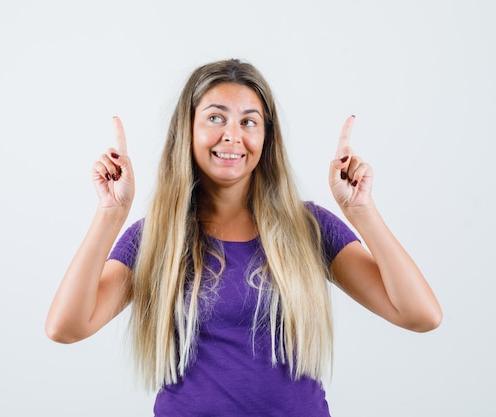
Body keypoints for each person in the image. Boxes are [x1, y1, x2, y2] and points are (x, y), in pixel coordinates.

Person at [45, 59, 442, 416]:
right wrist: (111, 214)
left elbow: (420, 315)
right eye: (216, 118)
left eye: (249, 121)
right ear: (189, 129)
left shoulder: (308, 228)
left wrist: (361, 211)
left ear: (266, 137)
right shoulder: (157, 236)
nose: (233, 136)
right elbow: (66, 327)